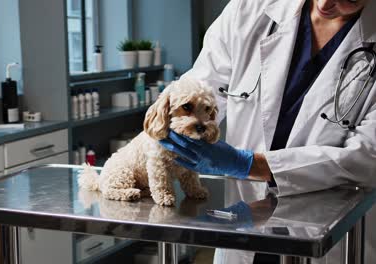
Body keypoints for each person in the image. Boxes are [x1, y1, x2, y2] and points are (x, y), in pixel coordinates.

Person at [159, 0, 376, 263]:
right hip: (243, 222)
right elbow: (200, 87)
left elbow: (367, 157)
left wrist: (249, 164)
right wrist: (167, 116)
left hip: (326, 238)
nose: (327, 3)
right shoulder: (250, 10)